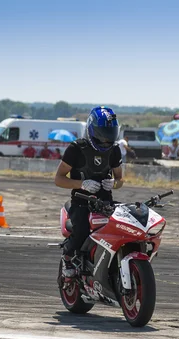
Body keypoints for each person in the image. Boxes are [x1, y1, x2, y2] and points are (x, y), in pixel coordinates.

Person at [54, 106, 123, 278]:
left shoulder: (114, 150)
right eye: (103, 135)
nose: (106, 141)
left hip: (106, 203)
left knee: (123, 228)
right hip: (81, 202)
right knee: (82, 231)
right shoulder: (76, 149)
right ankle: (68, 256)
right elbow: (59, 179)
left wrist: (114, 184)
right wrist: (81, 184)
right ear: (92, 130)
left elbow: (121, 179)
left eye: (110, 135)